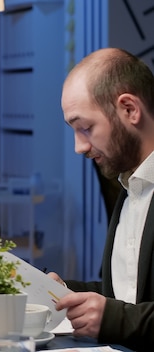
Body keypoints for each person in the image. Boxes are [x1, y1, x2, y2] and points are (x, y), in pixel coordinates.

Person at [50, 47, 154, 351]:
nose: (79, 147)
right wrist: (69, 292)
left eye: (85, 128)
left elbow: (125, 314)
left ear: (130, 110)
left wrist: (113, 319)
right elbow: (131, 295)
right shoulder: (129, 186)